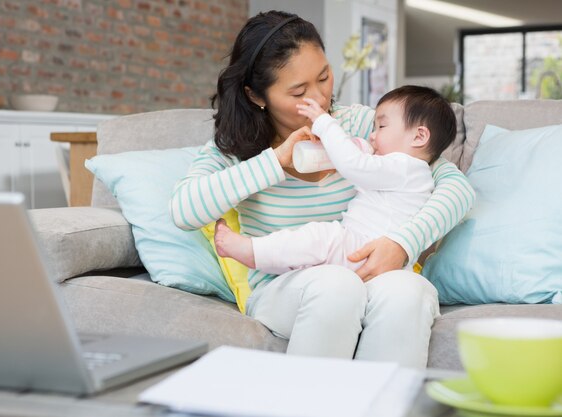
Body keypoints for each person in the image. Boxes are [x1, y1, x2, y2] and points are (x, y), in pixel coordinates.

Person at [170, 10, 475, 368]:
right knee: (335, 286)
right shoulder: (236, 145)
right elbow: (184, 211)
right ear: (257, 96)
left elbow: (457, 189)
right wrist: (275, 161)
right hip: (284, 288)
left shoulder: (361, 125)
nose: (320, 98)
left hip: (366, 274)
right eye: (299, 91)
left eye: (324, 77)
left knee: (410, 291)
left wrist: (404, 243)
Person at [213, 85, 458, 276]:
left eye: (381, 126)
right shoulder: (405, 170)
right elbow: (361, 162)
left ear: (419, 136)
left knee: (318, 237)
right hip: (365, 253)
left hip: (363, 249)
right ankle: (270, 261)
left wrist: (325, 124)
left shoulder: (407, 167)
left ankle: (253, 252)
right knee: (309, 251)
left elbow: (354, 166)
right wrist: (353, 147)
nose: (372, 136)